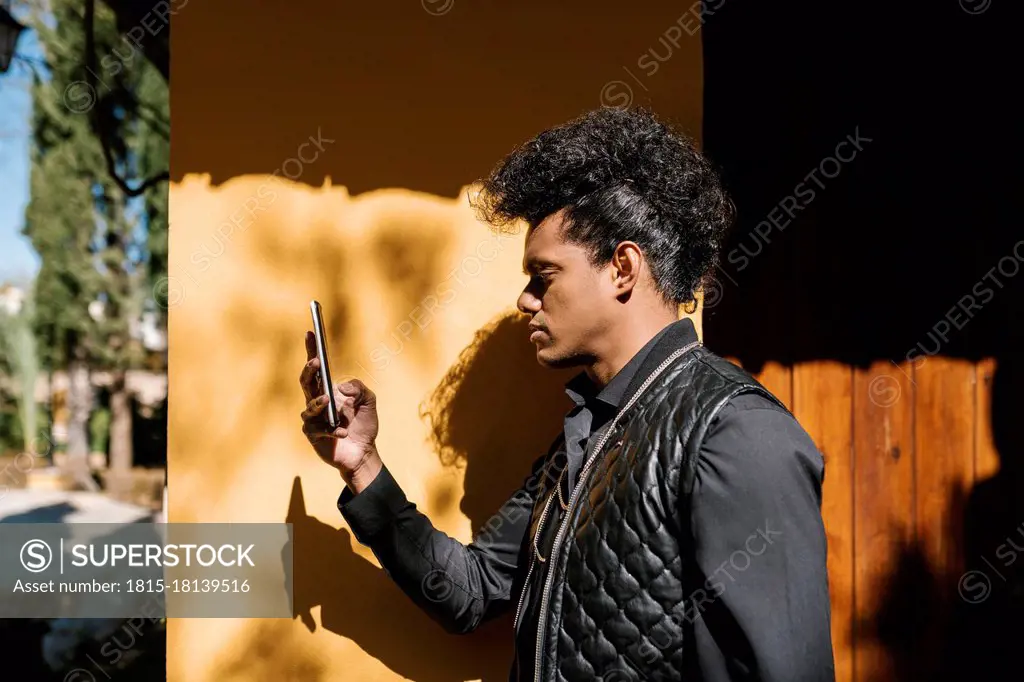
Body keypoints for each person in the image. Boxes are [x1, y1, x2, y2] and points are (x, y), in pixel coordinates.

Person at [298, 107, 835, 682]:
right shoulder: (585, 438)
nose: (525, 300)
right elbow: (470, 593)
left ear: (622, 268)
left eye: (543, 276)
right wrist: (361, 464)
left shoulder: (735, 431)